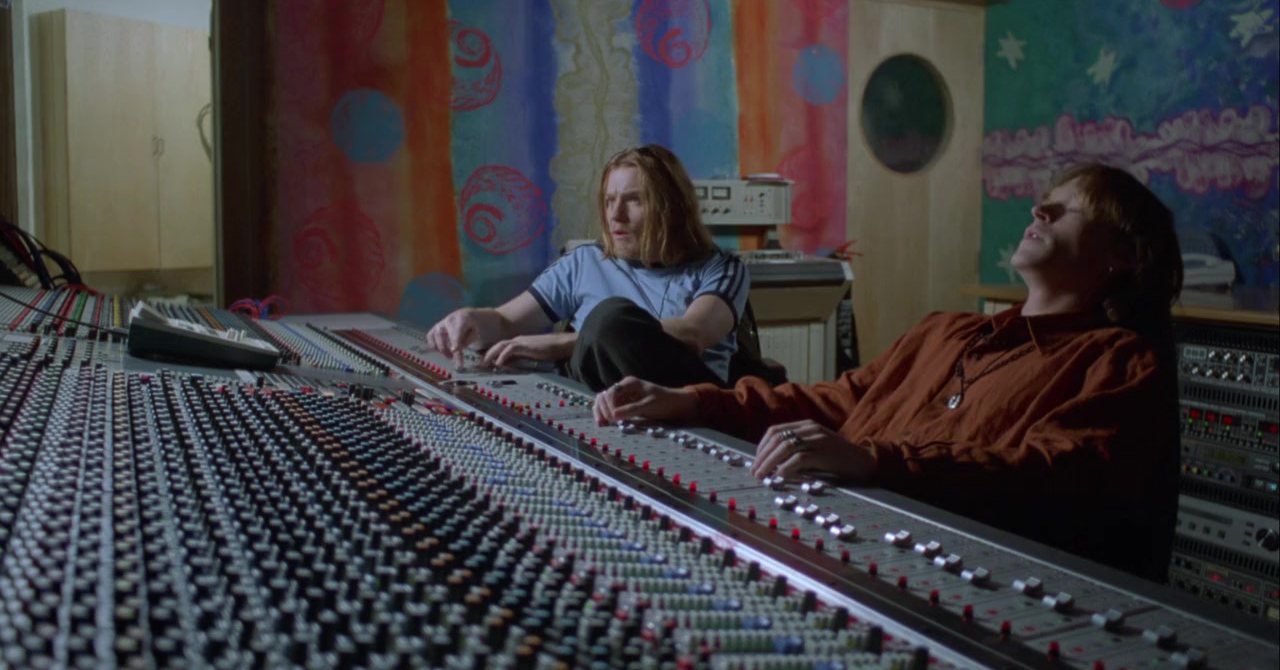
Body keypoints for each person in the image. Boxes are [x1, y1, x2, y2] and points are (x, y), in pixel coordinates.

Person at [593, 163, 1183, 581]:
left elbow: (1054, 478)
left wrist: (874, 461)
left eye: (1069, 207)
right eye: (1044, 199)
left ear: (1124, 256)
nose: (1040, 209)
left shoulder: (1121, 361)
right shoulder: (943, 331)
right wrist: (692, 401)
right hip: (832, 545)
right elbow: (832, 401)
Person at [427, 144, 750, 391]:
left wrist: (565, 344)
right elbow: (505, 321)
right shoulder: (583, 262)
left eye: (634, 200)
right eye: (609, 201)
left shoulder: (722, 269)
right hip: (594, 401)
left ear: (673, 208)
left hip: (683, 404)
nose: (615, 215)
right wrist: (470, 320)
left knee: (610, 318)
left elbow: (693, 332)